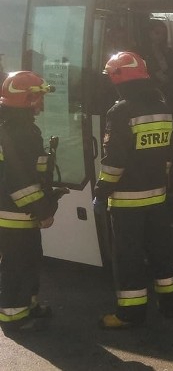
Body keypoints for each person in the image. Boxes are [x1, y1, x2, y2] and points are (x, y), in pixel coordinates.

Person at [95, 51, 173, 329]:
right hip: (157, 196)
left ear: (118, 80)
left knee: (128, 257)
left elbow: (114, 161)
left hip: (127, 202)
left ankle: (130, 314)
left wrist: (102, 191)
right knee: (161, 252)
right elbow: (168, 154)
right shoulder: (162, 106)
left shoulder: (120, 111)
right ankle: (170, 304)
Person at [0, 72, 65, 333]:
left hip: (16, 212)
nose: (42, 103)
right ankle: (13, 317)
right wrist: (43, 211)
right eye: (38, 97)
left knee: (31, 259)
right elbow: (21, 184)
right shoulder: (19, 133)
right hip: (14, 214)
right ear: (26, 100)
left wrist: (49, 195)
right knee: (18, 265)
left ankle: (29, 304)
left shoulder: (16, 127)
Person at [141, 19, 173, 105]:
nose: (160, 36)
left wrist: (168, 77)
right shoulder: (142, 52)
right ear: (149, 33)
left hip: (168, 89)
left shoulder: (168, 51)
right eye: (157, 33)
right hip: (150, 91)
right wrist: (157, 74)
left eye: (164, 34)